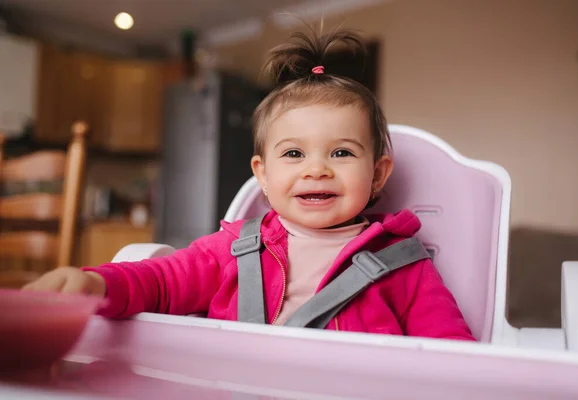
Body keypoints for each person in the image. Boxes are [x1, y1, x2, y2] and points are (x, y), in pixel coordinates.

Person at [23, 25, 474, 341]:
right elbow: (160, 282)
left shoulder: (403, 266)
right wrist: (95, 285)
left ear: (377, 174)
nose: (316, 170)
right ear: (262, 173)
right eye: (294, 154)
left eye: (341, 152)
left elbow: (454, 363)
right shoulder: (236, 248)